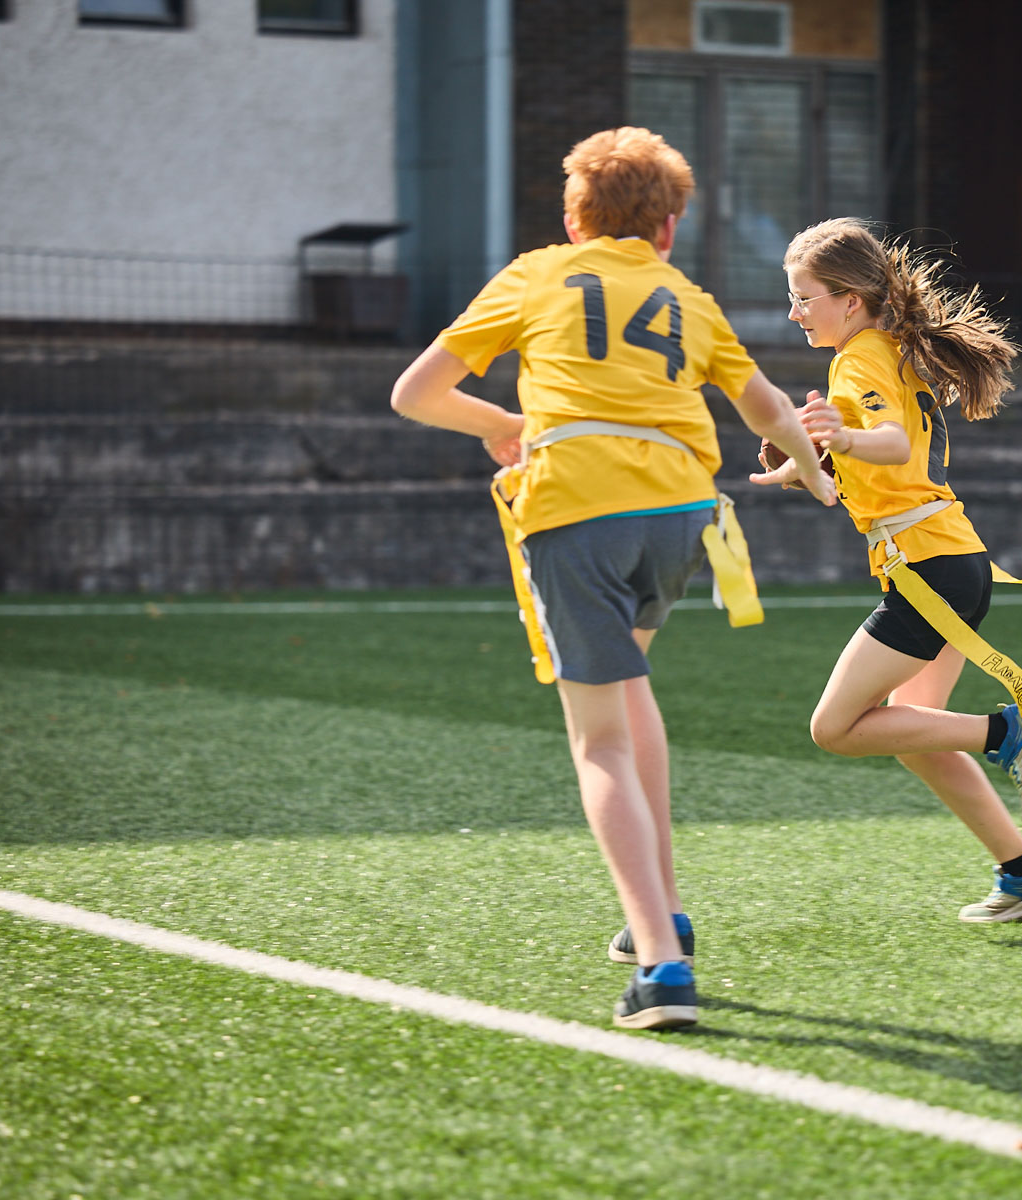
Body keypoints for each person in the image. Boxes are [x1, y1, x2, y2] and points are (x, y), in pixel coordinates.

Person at [390, 127, 836, 1030]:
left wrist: (503, 424)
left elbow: (414, 394)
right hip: (682, 515)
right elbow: (767, 407)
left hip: (577, 511)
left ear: (573, 221)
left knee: (598, 743)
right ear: (668, 229)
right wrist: (817, 477)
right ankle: (662, 913)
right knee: (631, 692)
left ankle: (663, 968)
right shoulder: (689, 297)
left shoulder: (535, 274)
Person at [752, 216, 1022, 924]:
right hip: (951, 560)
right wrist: (807, 466)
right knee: (917, 735)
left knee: (835, 728)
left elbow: (892, 443)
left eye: (804, 298)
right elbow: (865, 468)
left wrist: (841, 437)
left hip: (929, 569)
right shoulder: (886, 351)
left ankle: (1005, 733)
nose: (794, 312)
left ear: (850, 300)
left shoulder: (859, 358)